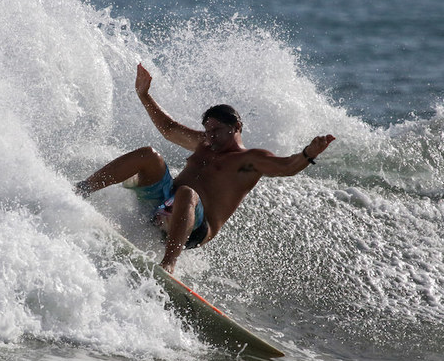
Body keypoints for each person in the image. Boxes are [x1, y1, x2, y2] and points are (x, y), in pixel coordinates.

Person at [76, 63, 336, 273]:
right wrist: (144, 95)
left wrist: (308, 154)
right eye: (207, 130)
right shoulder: (204, 143)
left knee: (187, 193)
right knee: (149, 155)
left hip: (194, 229)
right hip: (161, 205)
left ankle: (169, 263)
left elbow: (288, 166)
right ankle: (82, 189)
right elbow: (168, 129)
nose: (208, 137)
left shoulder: (249, 161)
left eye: (216, 131)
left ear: (235, 127)